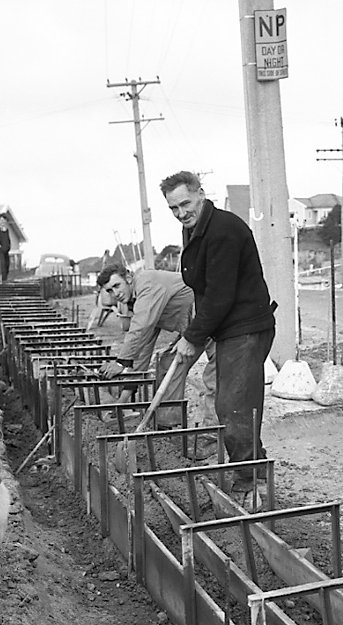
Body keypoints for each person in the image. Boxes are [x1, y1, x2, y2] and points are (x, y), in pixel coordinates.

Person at [159, 171, 276, 508]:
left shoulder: (223, 230)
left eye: (185, 203)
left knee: (235, 406)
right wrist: (191, 332)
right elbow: (203, 291)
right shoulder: (194, 230)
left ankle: (252, 480)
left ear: (200, 194)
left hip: (246, 327)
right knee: (229, 404)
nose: (181, 212)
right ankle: (251, 468)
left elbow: (220, 295)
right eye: (173, 208)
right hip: (228, 328)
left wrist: (193, 337)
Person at [96, 262, 217, 448]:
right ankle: (168, 428)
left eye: (117, 286)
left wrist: (120, 362)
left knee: (216, 375)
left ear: (128, 278)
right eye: (110, 291)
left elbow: (140, 327)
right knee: (168, 363)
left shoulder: (146, 284)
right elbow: (143, 350)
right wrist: (121, 402)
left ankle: (213, 435)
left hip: (213, 319)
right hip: (193, 328)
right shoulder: (138, 300)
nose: (115, 293)